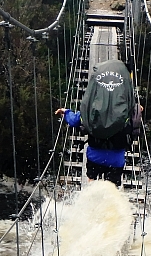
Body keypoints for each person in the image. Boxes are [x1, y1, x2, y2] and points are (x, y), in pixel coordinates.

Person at [55, 58, 141, 187]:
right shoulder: (127, 109)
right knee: (112, 191)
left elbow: (74, 121)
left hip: (95, 157)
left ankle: (90, 199)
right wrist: (137, 109)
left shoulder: (92, 110)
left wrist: (66, 112)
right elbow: (135, 124)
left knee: (92, 184)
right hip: (116, 159)